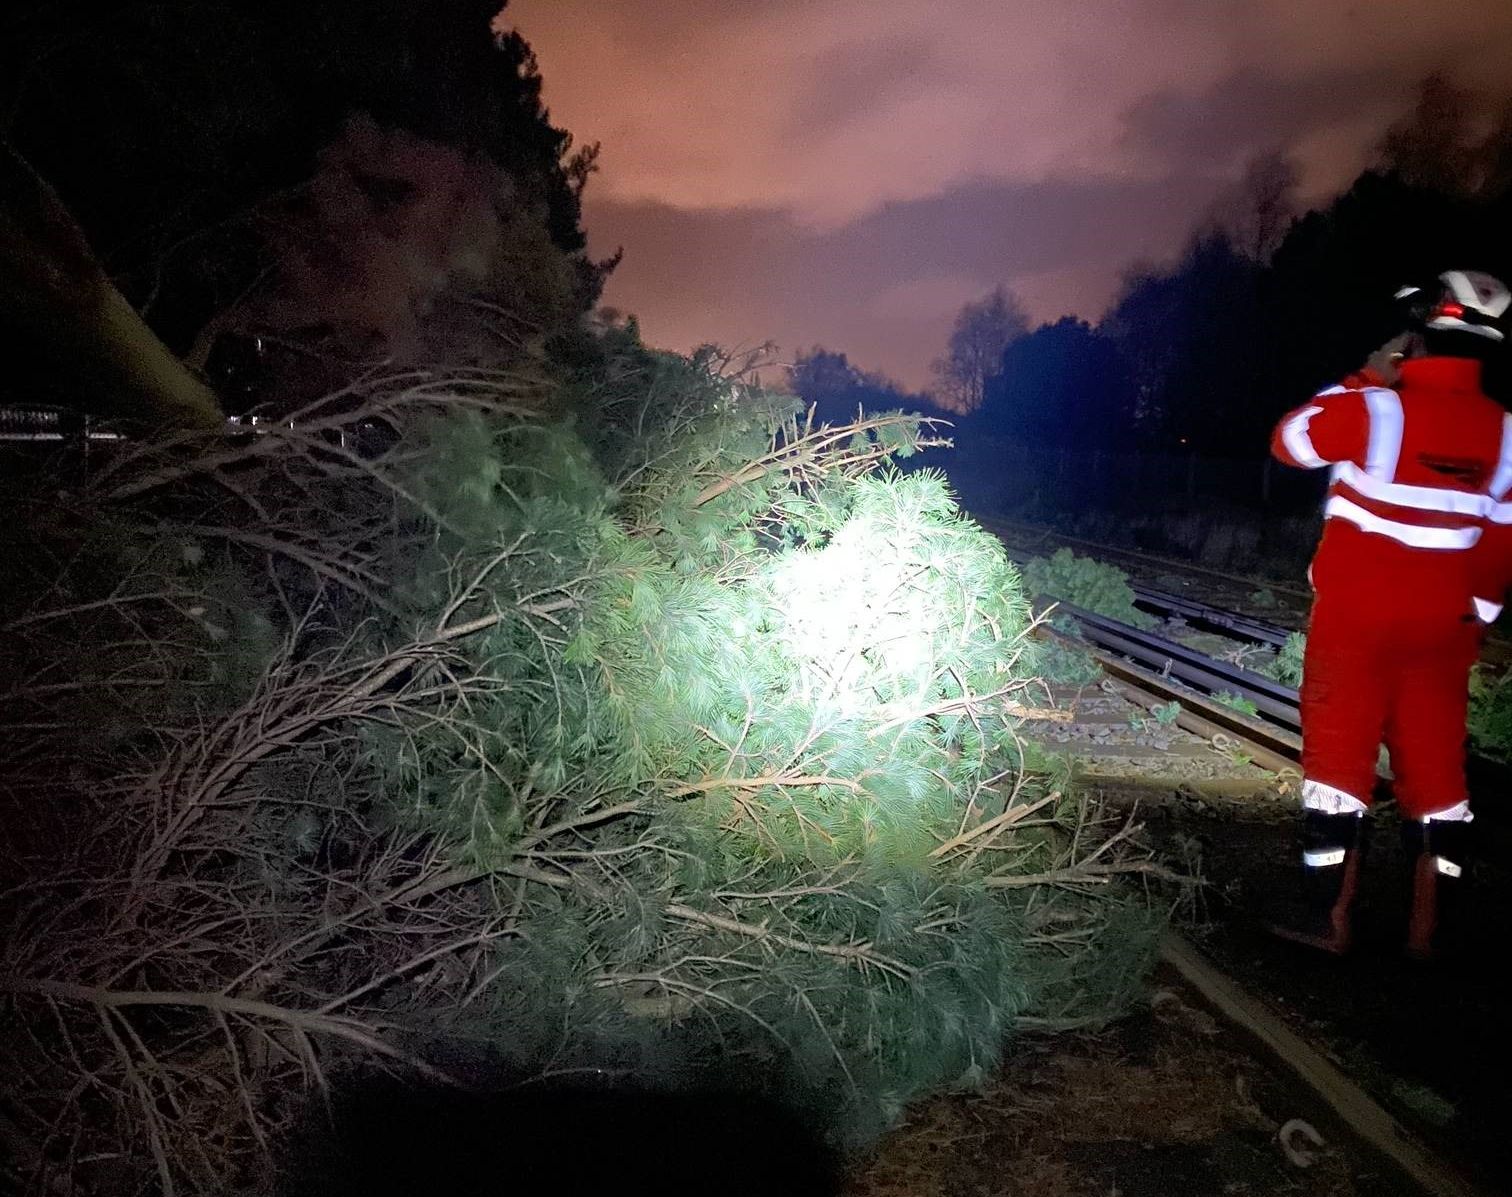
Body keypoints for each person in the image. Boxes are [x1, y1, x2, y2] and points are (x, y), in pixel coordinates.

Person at [1268, 270, 1512, 959]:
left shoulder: (1378, 409)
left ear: (1416, 334)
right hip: (1443, 632)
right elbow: (1501, 541)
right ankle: (1433, 930)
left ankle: (1327, 916)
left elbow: (1291, 441)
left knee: (1338, 760)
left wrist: (1364, 377)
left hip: (1357, 624)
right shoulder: (1505, 433)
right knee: (1438, 775)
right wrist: (1474, 618)